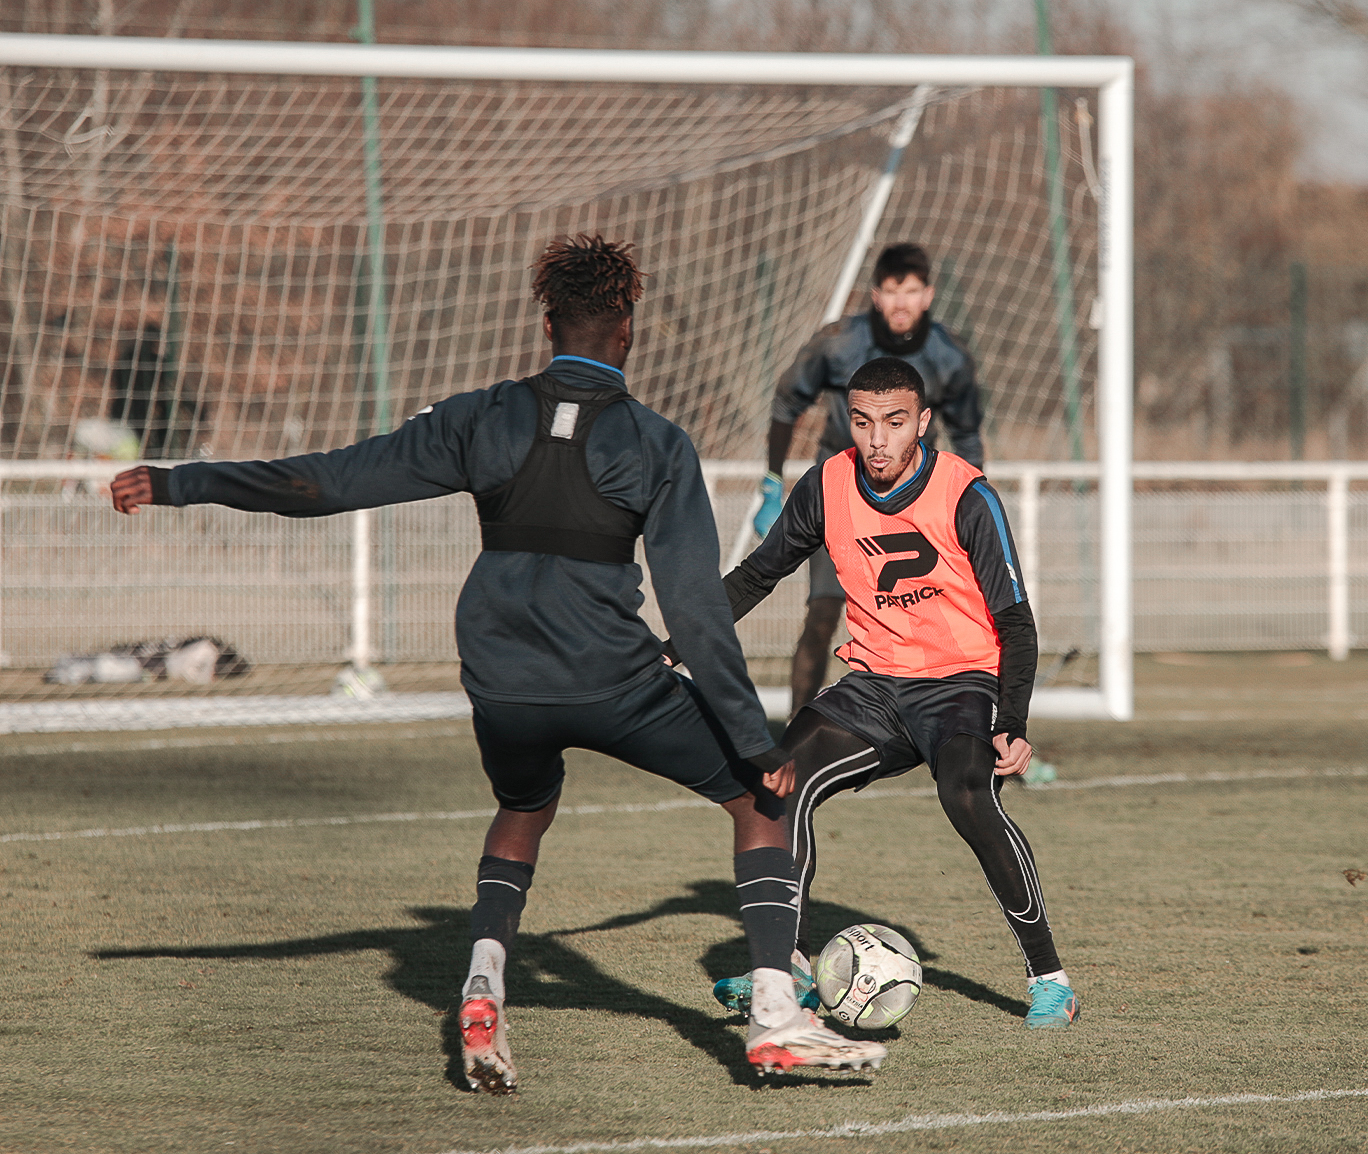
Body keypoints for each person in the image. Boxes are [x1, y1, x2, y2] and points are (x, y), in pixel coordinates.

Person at [108, 235, 887, 1089]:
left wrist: (183, 481)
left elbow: (328, 483)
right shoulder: (658, 444)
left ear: (547, 325)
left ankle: (483, 982)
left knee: (522, 808)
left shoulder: (479, 416)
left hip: (500, 679)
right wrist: (758, 740)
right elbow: (696, 614)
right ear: (627, 330)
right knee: (757, 806)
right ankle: (777, 1015)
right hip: (614, 680)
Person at [704, 355, 1077, 1030]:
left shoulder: (968, 495)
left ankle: (1050, 979)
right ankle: (788, 967)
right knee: (777, 784)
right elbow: (759, 574)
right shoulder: (828, 484)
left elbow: (1016, 623)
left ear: (923, 423)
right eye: (864, 421)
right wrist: (683, 637)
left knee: (966, 796)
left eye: (895, 422)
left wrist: (1012, 720)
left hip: (962, 683)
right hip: (875, 684)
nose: (877, 440)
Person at [757, 242, 985, 714]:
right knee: (822, 615)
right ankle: (798, 733)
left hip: (919, 503)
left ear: (928, 295)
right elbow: (786, 403)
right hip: (841, 497)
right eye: (890, 290)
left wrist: (974, 503)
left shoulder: (951, 355)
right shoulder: (839, 341)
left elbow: (968, 434)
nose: (901, 302)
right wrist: (772, 483)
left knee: (933, 618)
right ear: (875, 295)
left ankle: (958, 726)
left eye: (912, 290)